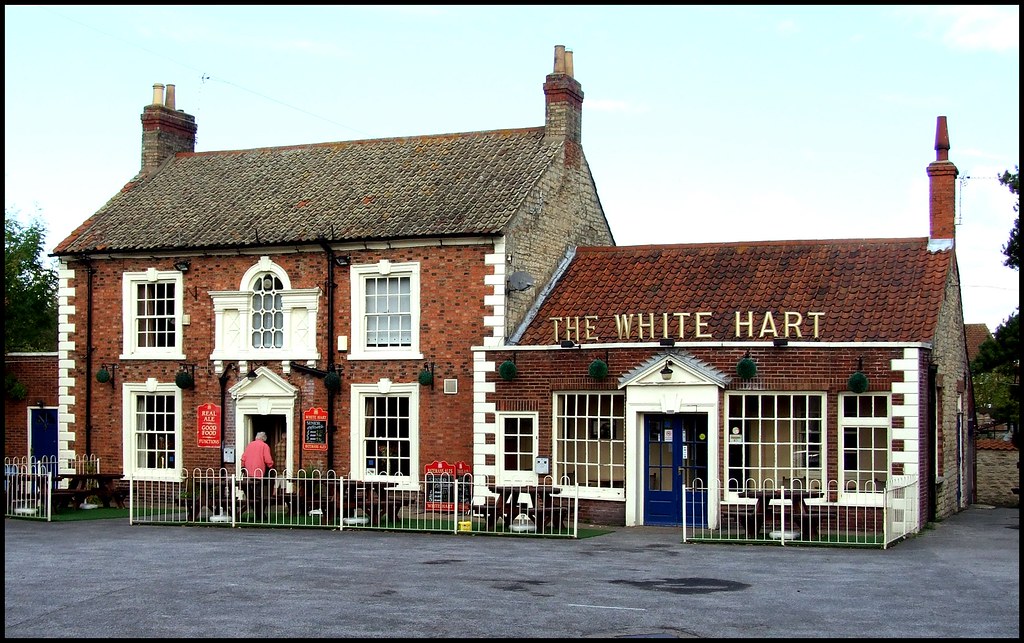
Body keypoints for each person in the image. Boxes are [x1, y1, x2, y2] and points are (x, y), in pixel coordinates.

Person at [241, 431, 274, 519]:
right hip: (258, 473)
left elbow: (243, 457)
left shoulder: (250, 445)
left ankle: (259, 513)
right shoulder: (264, 446)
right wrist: (271, 466)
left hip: (248, 472)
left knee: (250, 494)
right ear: (264, 438)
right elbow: (268, 459)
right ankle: (260, 514)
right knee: (257, 495)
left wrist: (243, 467)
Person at [272, 430, 288, 498]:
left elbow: (275, 455)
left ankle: (274, 495)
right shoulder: (287, 445)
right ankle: (284, 499)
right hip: (284, 466)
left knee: (277, 482)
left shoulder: (277, 445)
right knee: (284, 483)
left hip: (277, 465)